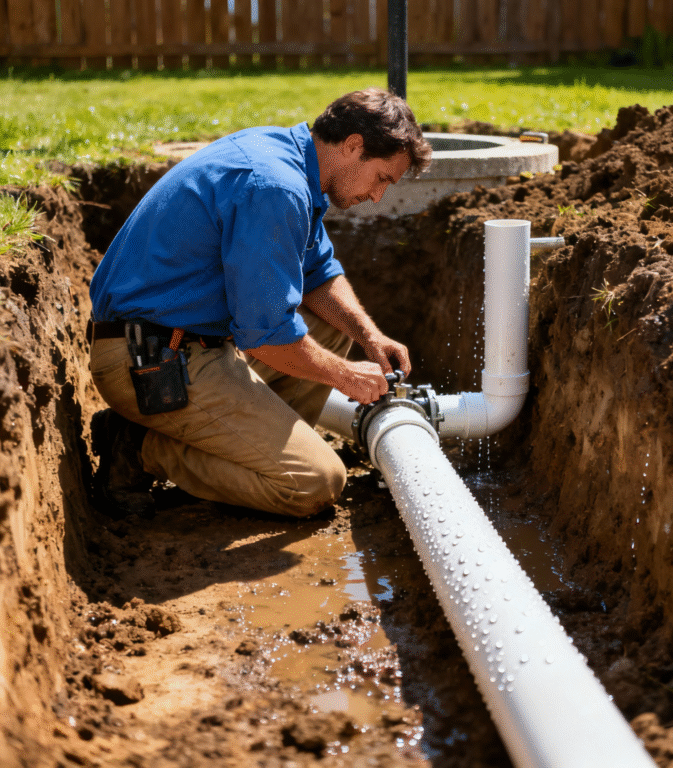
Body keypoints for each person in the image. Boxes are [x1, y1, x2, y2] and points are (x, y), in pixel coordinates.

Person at [87, 88, 432, 520]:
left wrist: (370, 336)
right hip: (149, 362)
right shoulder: (275, 188)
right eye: (381, 178)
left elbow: (318, 273)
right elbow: (267, 337)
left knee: (331, 326)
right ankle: (139, 448)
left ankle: (256, 449)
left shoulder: (289, 159)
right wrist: (346, 376)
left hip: (181, 342)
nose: (378, 195)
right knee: (315, 482)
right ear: (353, 145)